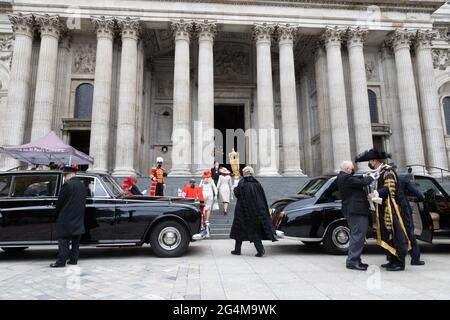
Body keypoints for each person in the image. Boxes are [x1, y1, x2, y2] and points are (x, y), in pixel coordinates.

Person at [355, 149, 411, 271]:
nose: (369, 163)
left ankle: (399, 263)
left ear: (375, 161)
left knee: (395, 233)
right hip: (383, 207)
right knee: (387, 233)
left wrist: (374, 194)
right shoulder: (381, 171)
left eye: (370, 160)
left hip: (391, 208)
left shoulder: (388, 171)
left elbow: (389, 189)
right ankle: (391, 260)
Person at [336, 160, 375, 271]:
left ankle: (355, 259)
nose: (352, 171)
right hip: (356, 211)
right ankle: (353, 261)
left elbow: (356, 179)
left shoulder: (343, 177)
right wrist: (373, 176)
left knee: (357, 235)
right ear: (347, 169)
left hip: (353, 210)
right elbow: (362, 182)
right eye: (351, 169)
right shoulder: (346, 178)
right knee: (358, 236)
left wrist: (363, 175)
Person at [230, 166, 276, 257]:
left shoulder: (242, 183)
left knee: (239, 230)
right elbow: (262, 198)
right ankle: (259, 249)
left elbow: (237, 193)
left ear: (244, 173)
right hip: (256, 211)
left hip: (242, 211)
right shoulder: (256, 183)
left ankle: (238, 250)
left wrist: (234, 187)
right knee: (254, 231)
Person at [50, 166, 87, 268]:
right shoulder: (82, 185)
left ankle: (61, 262)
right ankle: (73, 260)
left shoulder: (67, 185)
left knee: (63, 240)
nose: (64, 178)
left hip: (66, 218)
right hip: (78, 217)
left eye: (65, 176)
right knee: (76, 240)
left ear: (70, 175)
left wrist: (55, 214)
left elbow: (60, 203)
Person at [389, 164, 426, 266]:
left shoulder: (385, 180)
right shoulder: (403, 178)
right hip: (403, 210)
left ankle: (392, 259)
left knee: (393, 234)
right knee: (409, 233)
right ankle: (415, 258)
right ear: (396, 169)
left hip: (391, 210)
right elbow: (418, 194)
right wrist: (418, 198)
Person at [199, 170, 218, 238]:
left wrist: (198, 195)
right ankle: (207, 220)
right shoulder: (211, 180)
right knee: (209, 208)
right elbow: (215, 188)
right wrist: (216, 195)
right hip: (210, 194)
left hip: (204, 194)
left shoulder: (202, 180)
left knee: (203, 207)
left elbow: (199, 187)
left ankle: (202, 220)